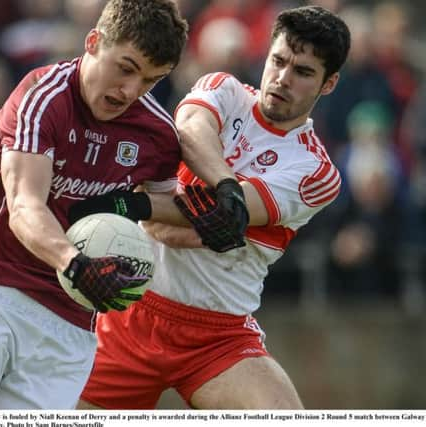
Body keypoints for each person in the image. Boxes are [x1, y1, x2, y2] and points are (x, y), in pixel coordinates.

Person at [0, 0, 191, 409]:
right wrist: (75, 264)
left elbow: (166, 216)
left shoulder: (158, 135)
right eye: (126, 68)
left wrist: (153, 209)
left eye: (151, 81)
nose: (130, 91)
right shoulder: (43, 96)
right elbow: (25, 206)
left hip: (70, 324)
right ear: (93, 42)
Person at [75, 5, 351, 409]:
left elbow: (222, 215)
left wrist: (138, 206)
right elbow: (189, 129)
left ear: (329, 84)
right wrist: (226, 186)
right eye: (278, 61)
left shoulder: (316, 170)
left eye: (303, 72)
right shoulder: (224, 88)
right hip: (130, 309)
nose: (282, 79)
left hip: (217, 335)